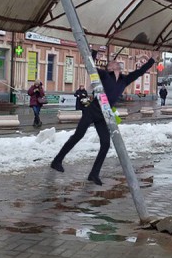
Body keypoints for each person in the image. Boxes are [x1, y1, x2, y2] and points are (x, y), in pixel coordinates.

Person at [51, 52, 157, 185]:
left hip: (104, 114)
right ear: (110, 68)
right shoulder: (105, 75)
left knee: (106, 144)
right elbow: (90, 65)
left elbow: (140, 71)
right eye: (113, 63)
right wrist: (94, 51)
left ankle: (94, 174)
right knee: (78, 136)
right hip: (92, 110)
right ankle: (57, 160)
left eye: (117, 62)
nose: (116, 62)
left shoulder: (125, 79)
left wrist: (152, 60)